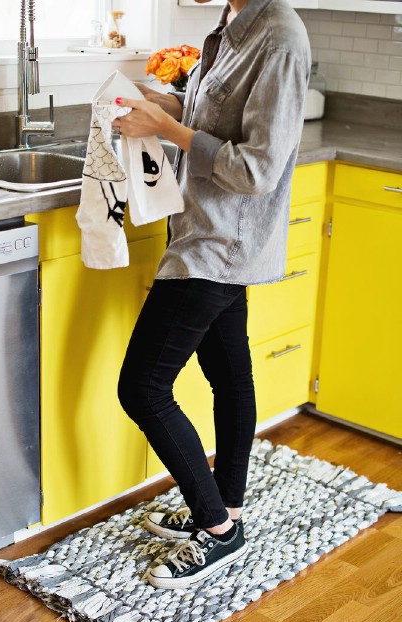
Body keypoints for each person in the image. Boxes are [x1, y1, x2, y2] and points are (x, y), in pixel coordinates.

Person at [115, 0, 311, 590]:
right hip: (208, 232)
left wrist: (166, 130)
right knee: (229, 377)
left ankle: (217, 530)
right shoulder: (232, 24)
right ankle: (228, 509)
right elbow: (215, 117)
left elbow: (257, 171)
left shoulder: (279, 39)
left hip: (220, 244)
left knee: (143, 388)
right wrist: (164, 106)